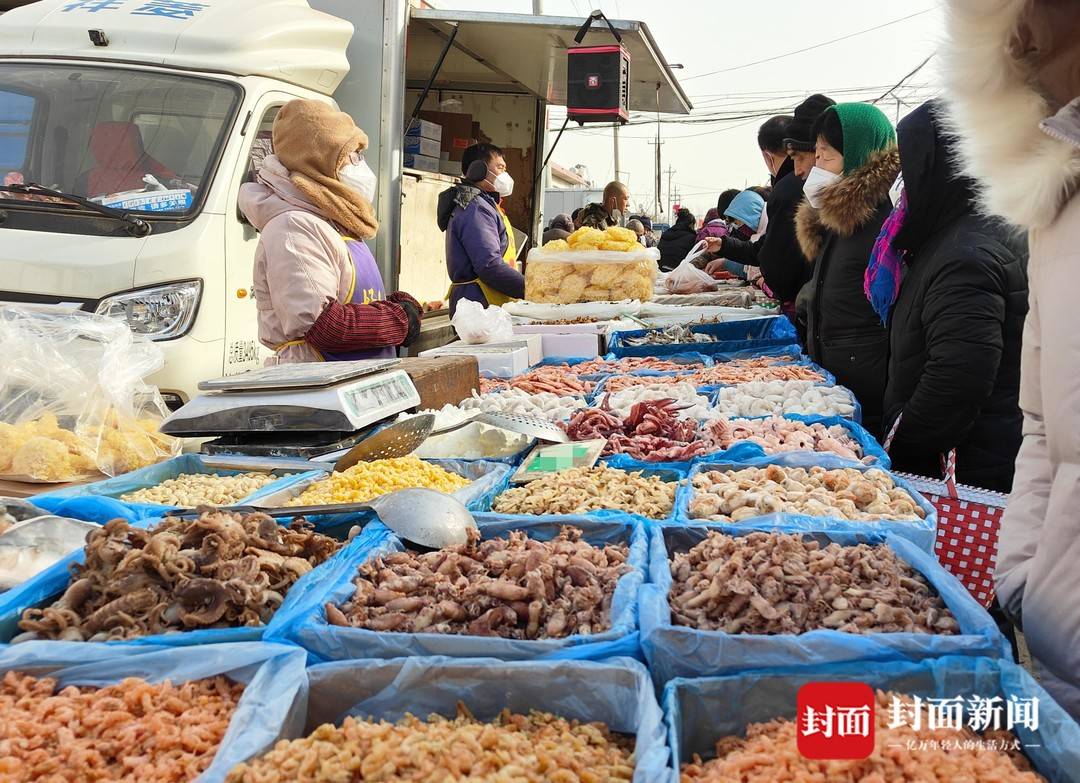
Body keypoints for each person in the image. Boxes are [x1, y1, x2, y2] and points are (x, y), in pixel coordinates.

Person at [942, 0, 1080, 719]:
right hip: (1059, 645)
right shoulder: (1053, 199)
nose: (1018, 36)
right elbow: (1040, 422)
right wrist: (1024, 577)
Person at [879, 100, 1026, 493]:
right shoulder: (960, 233)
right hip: (978, 454)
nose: (903, 185)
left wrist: (901, 447)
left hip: (969, 471)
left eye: (910, 167)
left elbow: (957, 380)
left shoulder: (965, 255)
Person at [237, 100, 420, 364]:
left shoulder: (330, 223)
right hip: (318, 382)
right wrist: (397, 319)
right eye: (352, 155)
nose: (359, 165)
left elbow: (346, 297)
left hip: (356, 379)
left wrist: (397, 305)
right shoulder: (293, 227)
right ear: (319, 159)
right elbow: (324, 326)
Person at [794, 102, 899, 435]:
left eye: (827, 156)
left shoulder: (880, 223)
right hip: (840, 382)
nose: (817, 166)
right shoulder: (839, 219)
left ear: (858, 155)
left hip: (867, 389)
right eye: (818, 155)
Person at [704, 96, 835, 308]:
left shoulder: (790, 190)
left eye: (802, 157)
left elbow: (780, 269)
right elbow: (766, 248)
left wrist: (764, 278)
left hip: (814, 315)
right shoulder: (819, 191)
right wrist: (725, 246)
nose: (799, 170)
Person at [439, 143, 525, 316]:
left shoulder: (487, 204)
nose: (505, 175)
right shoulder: (475, 208)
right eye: (500, 168)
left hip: (489, 305)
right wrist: (532, 289)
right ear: (478, 169)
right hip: (478, 307)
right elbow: (489, 265)